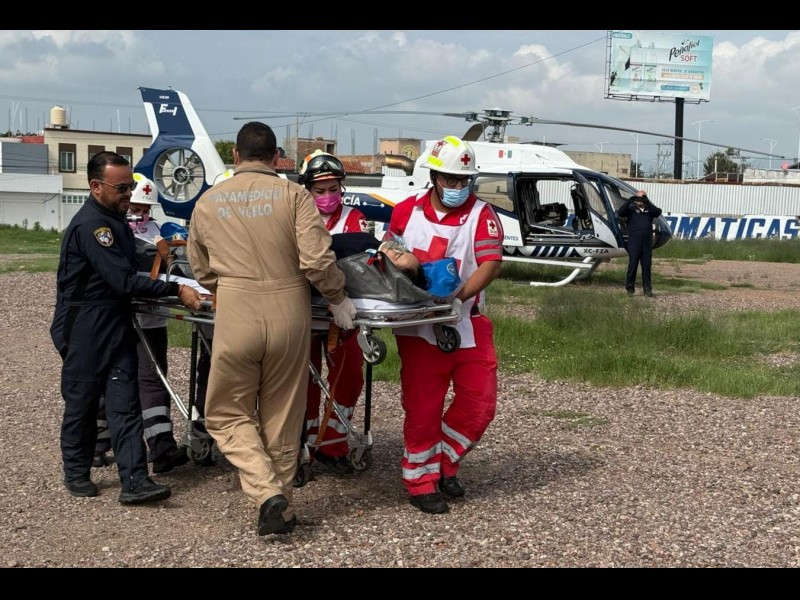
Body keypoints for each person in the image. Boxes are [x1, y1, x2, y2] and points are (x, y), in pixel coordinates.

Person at [186, 122, 357, 536]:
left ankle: (267, 494)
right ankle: (280, 502)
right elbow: (317, 260)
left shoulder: (208, 201)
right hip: (289, 311)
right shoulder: (295, 196)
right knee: (282, 414)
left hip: (236, 310)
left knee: (225, 412)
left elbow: (200, 268)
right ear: (277, 157)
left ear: (235, 156)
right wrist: (337, 297)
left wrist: (226, 286)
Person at [50, 151, 202, 504]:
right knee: (83, 402)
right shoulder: (93, 226)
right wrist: (176, 289)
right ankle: (76, 472)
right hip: (85, 326)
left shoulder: (115, 220)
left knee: (125, 403)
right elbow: (122, 279)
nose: (128, 195)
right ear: (96, 187)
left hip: (116, 322)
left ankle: (135, 481)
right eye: (121, 188)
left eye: (129, 187)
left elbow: (135, 269)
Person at [385, 135, 504, 514]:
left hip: (467, 319)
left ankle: (444, 462)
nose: (457, 187)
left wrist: (459, 296)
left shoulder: (483, 215)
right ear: (434, 177)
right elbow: (389, 251)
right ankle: (420, 480)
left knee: (480, 403)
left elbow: (490, 263)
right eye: (451, 179)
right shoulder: (406, 211)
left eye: (464, 180)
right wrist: (400, 262)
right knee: (422, 407)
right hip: (418, 326)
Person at [93, 173, 192, 473]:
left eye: (146, 209)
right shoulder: (111, 231)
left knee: (152, 379)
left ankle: (161, 447)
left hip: (152, 318)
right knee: (111, 378)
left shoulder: (160, 233)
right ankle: (97, 443)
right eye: (136, 207)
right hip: (120, 318)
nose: (140, 214)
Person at [297, 151, 372, 477]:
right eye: (320, 190)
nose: (327, 196)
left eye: (333, 189)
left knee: (349, 376)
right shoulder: (295, 218)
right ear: (307, 190)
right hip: (301, 311)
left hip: (341, 314)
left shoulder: (354, 219)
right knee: (303, 383)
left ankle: (333, 443)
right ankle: (303, 445)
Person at [616, 190, 662, 297]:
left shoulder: (649, 210)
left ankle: (647, 289)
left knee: (646, 266)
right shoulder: (631, 210)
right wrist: (628, 202)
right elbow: (620, 213)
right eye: (639, 198)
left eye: (643, 197)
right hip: (634, 242)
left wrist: (647, 202)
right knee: (633, 265)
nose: (640, 200)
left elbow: (658, 212)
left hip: (646, 243)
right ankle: (630, 289)